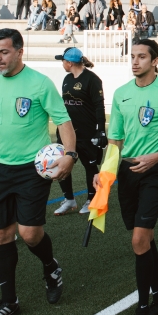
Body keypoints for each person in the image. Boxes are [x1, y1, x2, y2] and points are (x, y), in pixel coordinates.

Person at [0, 28, 77, 315]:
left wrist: (70, 155)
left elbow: (64, 122)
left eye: (4, 52)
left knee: (29, 234)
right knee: (0, 234)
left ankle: (51, 266)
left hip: (31, 171)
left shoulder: (40, 83)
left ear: (20, 52)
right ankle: (9, 301)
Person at [99, 39, 158, 315]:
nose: (135, 61)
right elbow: (115, 141)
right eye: (132, 56)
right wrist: (105, 172)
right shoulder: (122, 93)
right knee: (143, 238)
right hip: (127, 169)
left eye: (141, 57)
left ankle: (142, 310)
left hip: (155, 168)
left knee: (139, 239)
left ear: (155, 60)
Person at [51, 48, 106, 216]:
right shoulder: (67, 79)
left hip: (86, 131)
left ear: (70, 62)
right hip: (67, 131)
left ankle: (91, 198)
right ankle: (69, 199)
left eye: (63, 61)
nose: (62, 64)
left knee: (90, 165)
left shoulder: (92, 79)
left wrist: (101, 131)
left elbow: (99, 106)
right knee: (62, 164)